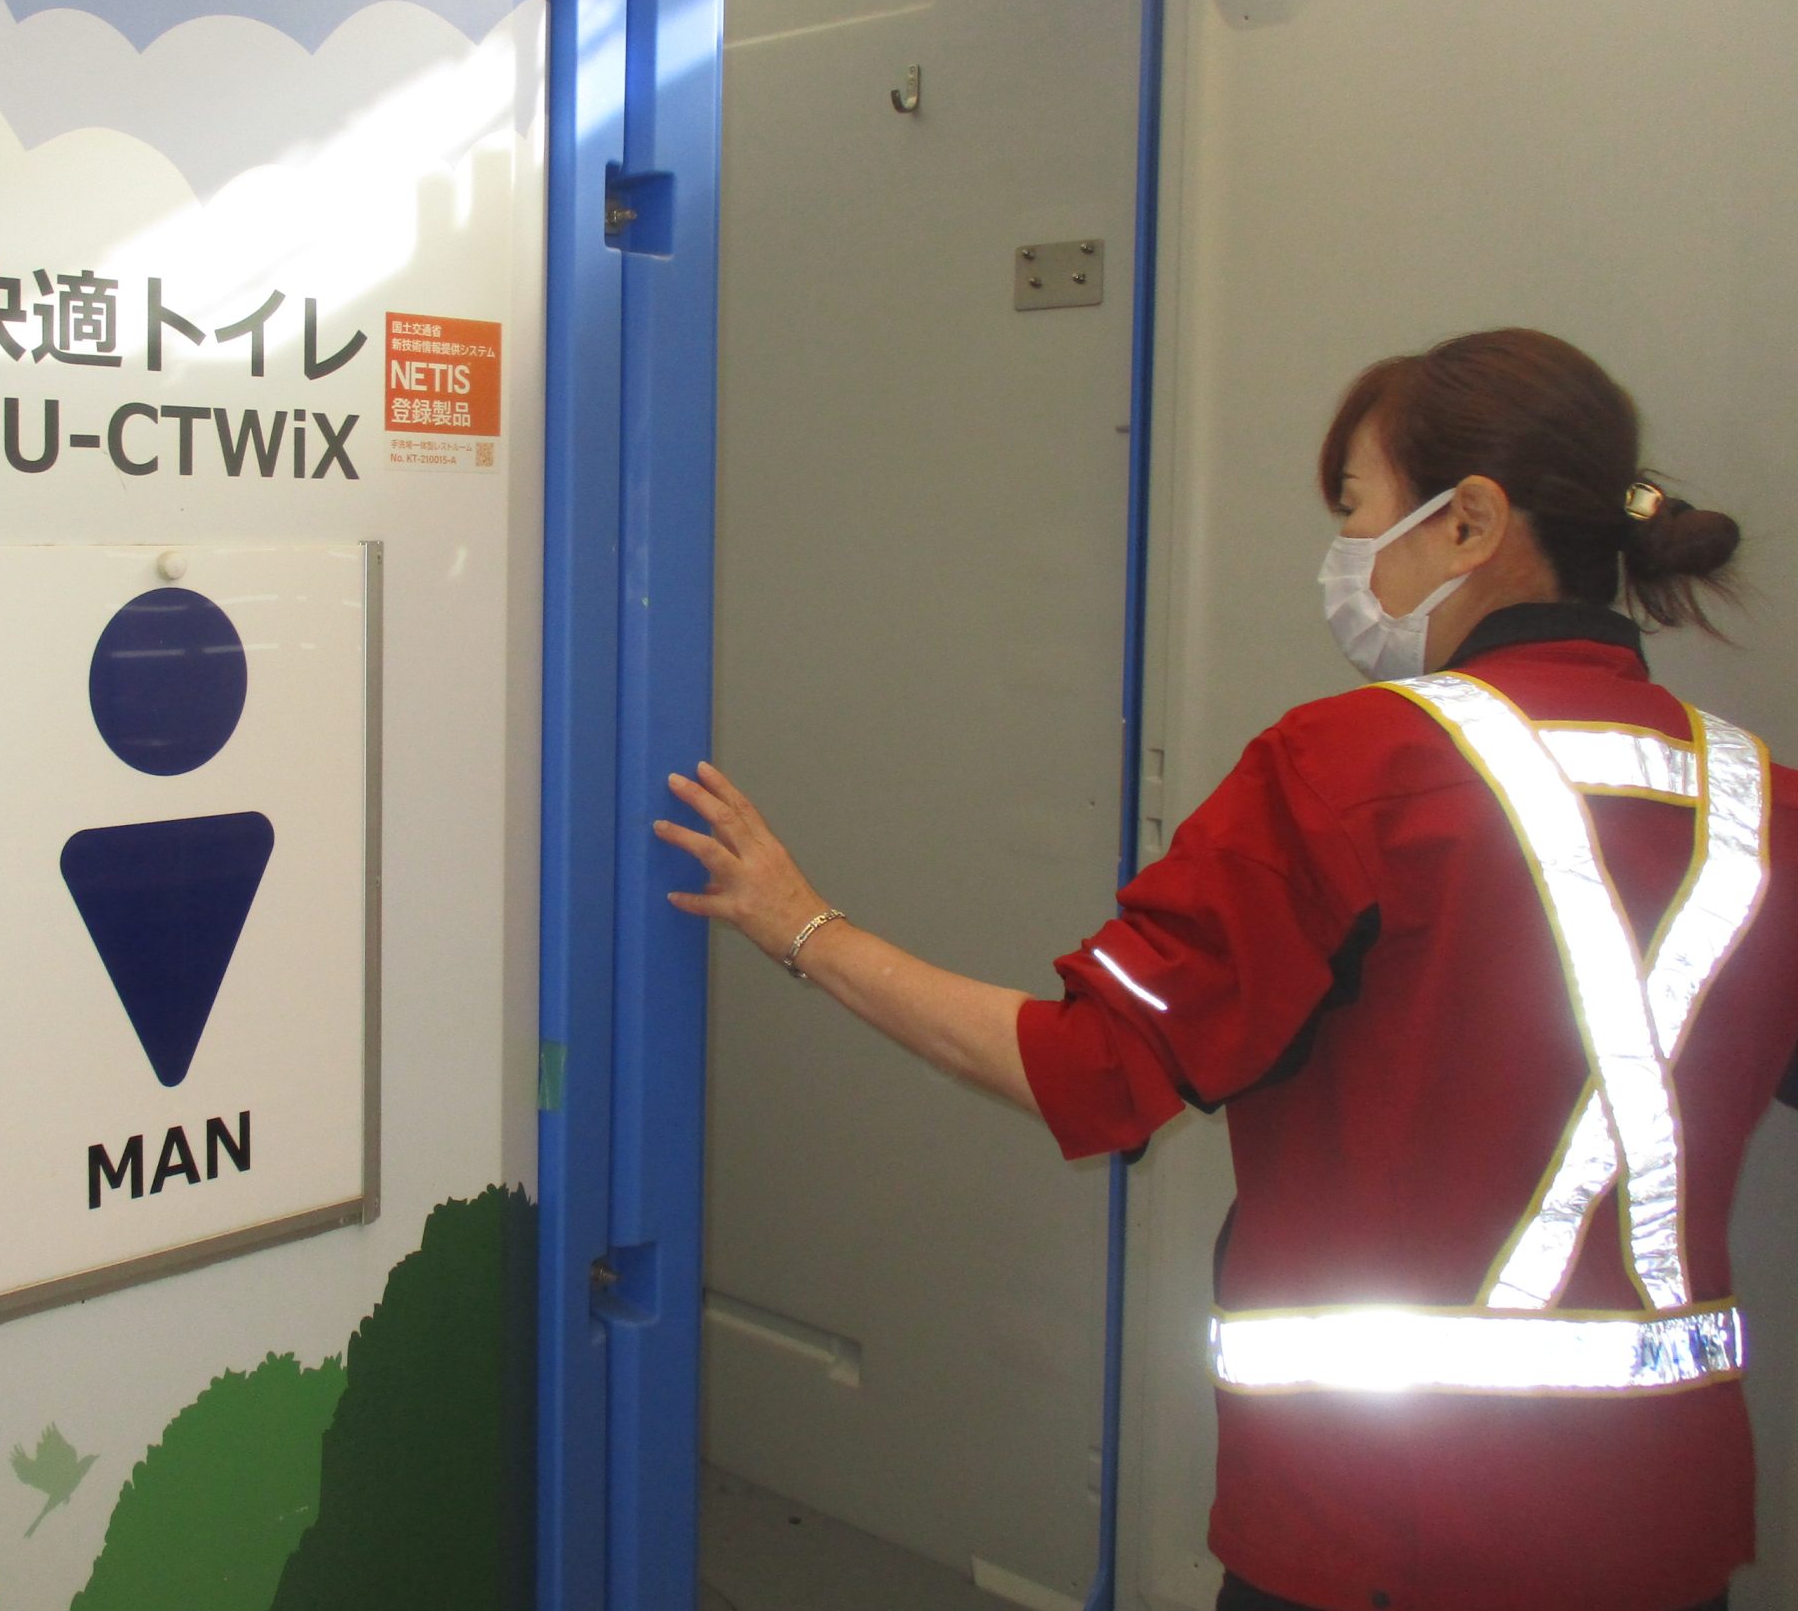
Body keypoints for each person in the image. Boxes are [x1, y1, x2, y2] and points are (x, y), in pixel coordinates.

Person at [656, 328, 1798, 1611]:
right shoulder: (1761, 802)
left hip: (1379, 1534)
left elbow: (1088, 1071)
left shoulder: (1351, 770)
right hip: (1661, 1532)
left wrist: (799, 923)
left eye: (1355, 508)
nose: (1345, 553)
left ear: (1469, 522)